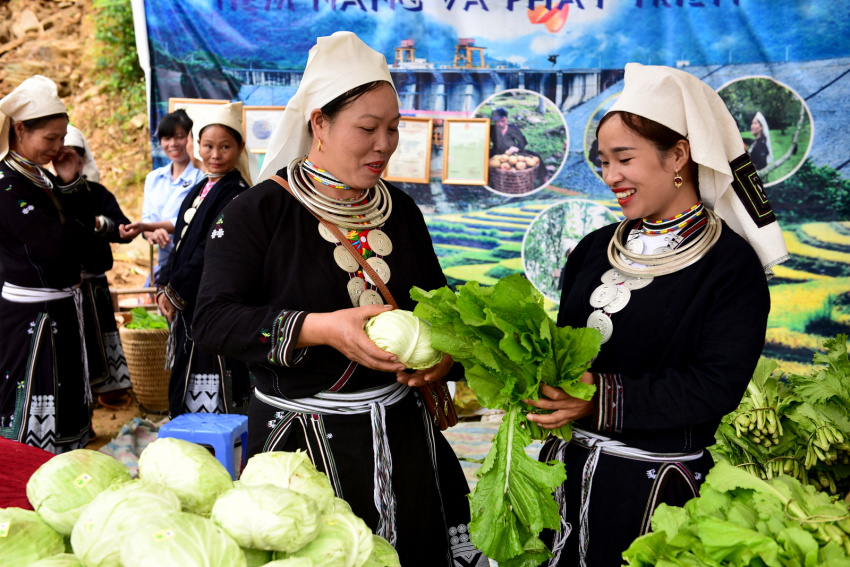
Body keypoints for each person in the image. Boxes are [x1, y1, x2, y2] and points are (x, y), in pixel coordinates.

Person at [192, 32, 488, 567]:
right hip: (300, 448)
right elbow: (212, 321)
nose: (385, 144)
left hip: (402, 438)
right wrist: (321, 328)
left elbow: (441, 310)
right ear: (320, 124)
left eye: (394, 128)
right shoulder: (258, 212)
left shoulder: (401, 211)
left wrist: (444, 356)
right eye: (368, 128)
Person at [523, 63, 789, 566]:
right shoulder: (592, 249)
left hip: (655, 495)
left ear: (679, 156)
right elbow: (562, 351)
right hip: (565, 481)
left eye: (624, 158)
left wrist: (596, 399)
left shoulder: (729, 266)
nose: (610, 176)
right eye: (602, 162)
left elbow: (715, 385)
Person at [0, 76, 108, 453]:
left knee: (65, 399)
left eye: (63, 137)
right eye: (50, 138)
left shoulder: (42, 178)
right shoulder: (7, 184)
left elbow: (78, 237)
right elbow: (52, 245)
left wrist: (68, 185)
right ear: (19, 130)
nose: (59, 147)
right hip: (31, 317)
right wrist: (87, 229)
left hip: (59, 307)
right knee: (34, 398)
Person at [155, 102, 252, 417]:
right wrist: (164, 283)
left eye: (225, 146)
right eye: (208, 146)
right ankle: (194, 429)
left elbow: (207, 251)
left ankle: (221, 436)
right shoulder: (200, 188)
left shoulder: (235, 192)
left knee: (214, 363)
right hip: (190, 297)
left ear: (240, 147)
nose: (215, 154)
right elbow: (181, 243)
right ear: (197, 146)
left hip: (214, 298)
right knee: (189, 364)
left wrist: (176, 291)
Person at [64, 125, 133, 406]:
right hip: (64, 289)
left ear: (83, 159)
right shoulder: (45, 192)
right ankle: (81, 406)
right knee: (71, 349)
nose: (70, 163)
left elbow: (122, 227)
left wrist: (100, 223)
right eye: (62, 156)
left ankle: (106, 393)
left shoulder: (96, 192)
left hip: (95, 286)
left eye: (76, 157)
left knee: (100, 345)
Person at [119, 109, 205, 282]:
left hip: (192, 265)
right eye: (167, 138)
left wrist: (147, 227)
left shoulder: (201, 177)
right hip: (163, 264)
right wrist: (152, 233)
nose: (173, 144)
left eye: (180, 136)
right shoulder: (154, 178)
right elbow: (147, 221)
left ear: (191, 140)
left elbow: (192, 219)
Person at [490, 106, 547, 185]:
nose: (499, 124)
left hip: (515, 153)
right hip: (497, 153)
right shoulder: (492, 129)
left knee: (536, 156)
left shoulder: (513, 129)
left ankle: (543, 178)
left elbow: (523, 142)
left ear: (506, 119)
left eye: (502, 121)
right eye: (496, 122)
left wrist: (517, 148)